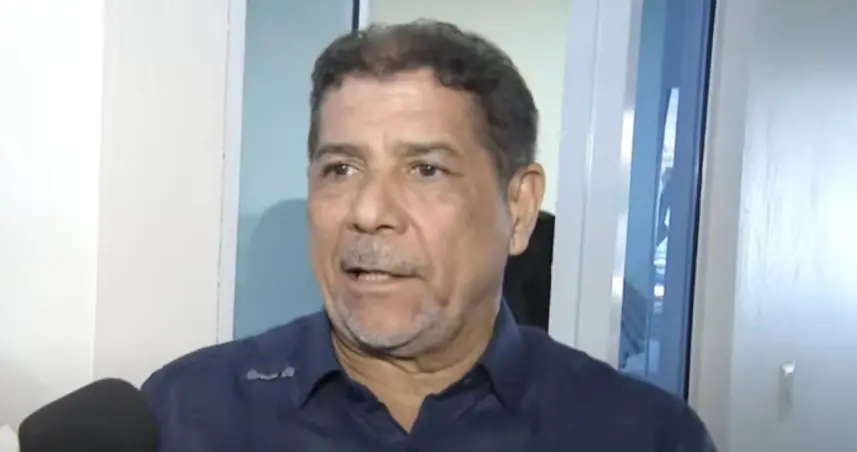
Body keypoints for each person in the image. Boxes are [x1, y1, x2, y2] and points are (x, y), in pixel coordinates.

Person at [141, 20, 716, 451]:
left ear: (519, 208)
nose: (369, 211)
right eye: (341, 168)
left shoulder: (640, 434)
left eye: (425, 170)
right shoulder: (188, 413)